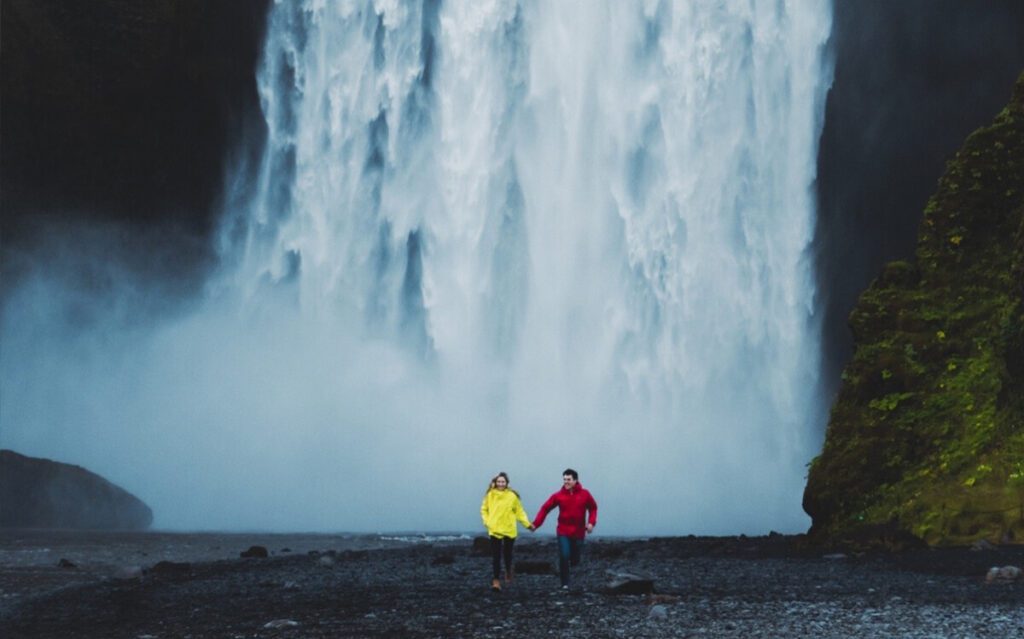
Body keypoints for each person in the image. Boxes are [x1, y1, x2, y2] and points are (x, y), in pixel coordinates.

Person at [531, 468, 598, 590]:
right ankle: (565, 583)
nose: (566, 482)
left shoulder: (585, 494)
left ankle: (572, 563)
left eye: (569, 479)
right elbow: (545, 508)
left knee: (575, 559)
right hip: (563, 531)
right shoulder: (558, 496)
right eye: (564, 479)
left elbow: (593, 508)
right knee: (564, 555)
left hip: (578, 532)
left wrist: (591, 523)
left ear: (575, 480)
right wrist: (536, 524)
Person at [480, 471, 534, 591]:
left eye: (503, 482)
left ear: (507, 483)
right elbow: (484, 509)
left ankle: (509, 570)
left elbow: (519, 512)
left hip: (509, 529)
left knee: (507, 554)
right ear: (495, 482)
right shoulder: (490, 495)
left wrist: (528, 525)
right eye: (498, 481)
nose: (500, 484)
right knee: (496, 557)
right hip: (495, 529)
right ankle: (496, 581)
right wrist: (487, 522)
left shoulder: (512, 496)